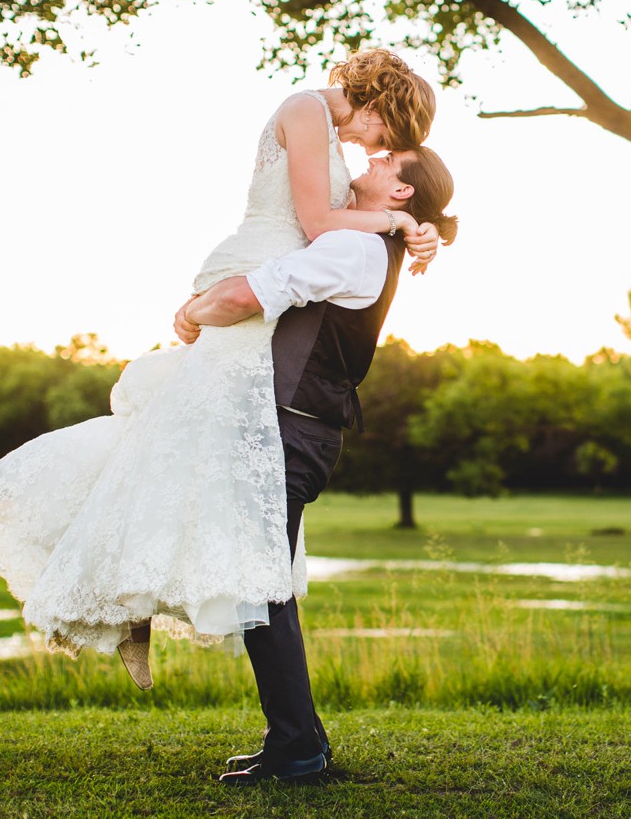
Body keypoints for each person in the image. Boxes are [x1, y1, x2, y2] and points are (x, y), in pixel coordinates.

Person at [0, 49, 442, 690]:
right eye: (385, 135)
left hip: (266, 287)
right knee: (178, 447)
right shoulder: (305, 109)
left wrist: (414, 226)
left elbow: (336, 227)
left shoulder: (336, 148)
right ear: (382, 102)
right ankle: (116, 600)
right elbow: (321, 223)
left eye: (385, 149)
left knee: (169, 447)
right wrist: (401, 219)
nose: (370, 148)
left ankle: (128, 606)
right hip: (254, 270)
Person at [172, 146, 456, 784]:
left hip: (289, 428)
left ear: (402, 193)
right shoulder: (366, 243)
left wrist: (192, 312)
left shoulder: (353, 250)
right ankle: (300, 743)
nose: (374, 155)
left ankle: (297, 748)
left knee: (263, 588)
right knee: (263, 585)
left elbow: (251, 294)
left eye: (390, 160)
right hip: (297, 428)